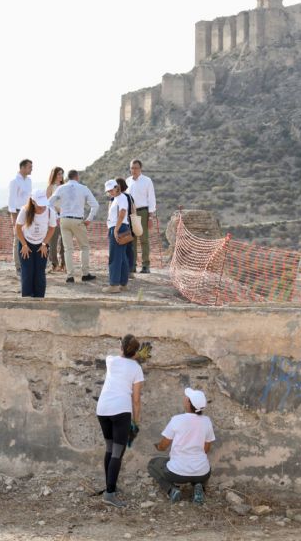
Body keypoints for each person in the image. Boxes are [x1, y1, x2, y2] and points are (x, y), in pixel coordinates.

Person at [96, 334, 144, 508]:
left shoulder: (111, 361)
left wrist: (133, 354)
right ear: (136, 352)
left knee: (109, 448)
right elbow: (136, 400)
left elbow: (123, 356)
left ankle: (111, 486)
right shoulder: (137, 369)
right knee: (117, 453)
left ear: (121, 348)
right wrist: (136, 422)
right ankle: (109, 494)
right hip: (121, 411)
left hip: (102, 409)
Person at [148, 388, 215, 505]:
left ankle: (172, 490)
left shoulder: (177, 420)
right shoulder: (207, 421)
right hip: (203, 473)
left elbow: (163, 446)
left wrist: (157, 446)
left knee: (153, 464)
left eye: (187, 398)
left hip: (177, 473)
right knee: (202, 467)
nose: (185, 399)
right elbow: (206, 449)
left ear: (189, 403)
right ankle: (198, 486)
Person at [48, 169, 99, 284]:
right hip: (77, 220)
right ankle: (85, 274)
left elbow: (48, 203)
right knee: (84, 247)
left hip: (64, 220)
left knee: (68, 249)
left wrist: (56, 215)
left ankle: (70, 276)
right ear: (77, 177)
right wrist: (89, 219)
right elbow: (95, 205)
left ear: (68, 177)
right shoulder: (83, 188)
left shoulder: (61, 188)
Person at [15, 189, 56, 298]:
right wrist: (24, 245)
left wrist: (44, 244)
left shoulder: (50, 212)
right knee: (27, 272)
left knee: (39, 272)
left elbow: (52, 228)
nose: (42, 207)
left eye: (43, 204)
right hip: (26, 243)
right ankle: (27, 298)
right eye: (39, 204)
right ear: (33, 201)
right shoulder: (25, 210)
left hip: (42, 244)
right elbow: (18, 228)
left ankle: (39, 298)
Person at [126, 159, 156, 274]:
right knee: (132, 240)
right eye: (132, 168)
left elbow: (151, 199)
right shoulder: (127, 181)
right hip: (130, 213)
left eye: (136, 168)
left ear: (140, 169)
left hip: (143, 212)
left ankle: (145, 266)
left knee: (144, 239)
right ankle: (132, 265)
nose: (134, 170)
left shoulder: (147, 181)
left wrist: (150, 217)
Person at [105, 179, 130, 293]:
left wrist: (115, 230)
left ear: (117, 187)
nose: (110, 192)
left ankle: (114, 285)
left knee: (115, 257)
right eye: (109, 191)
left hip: (118, 228)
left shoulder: (121, 198)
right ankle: (123, 284)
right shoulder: (116, 199)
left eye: (111, 189)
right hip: (119, 228)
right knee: (122, 257)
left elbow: (122, 213)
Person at [8, 159, 33, 273]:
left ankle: (26, 263)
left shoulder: (29, 181)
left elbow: (30, 198)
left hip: (28, 212)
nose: (31, 169)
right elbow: (11, 202)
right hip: (18, 212)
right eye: (29, 167)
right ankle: (18, 266)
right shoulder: (14, 181)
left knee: (28, 238)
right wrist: (14, 219)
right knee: (18, 239)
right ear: (22, 168)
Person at [46, 167, 65, 272]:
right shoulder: (50, 187)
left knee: (64, 242)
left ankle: (64, 264)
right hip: (54, 216)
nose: (60, 176)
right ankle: (54, 264)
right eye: (58, 174)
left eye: (62, 174)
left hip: (65, 217)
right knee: (53, 242)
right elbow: (48, 203)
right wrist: (57, 211)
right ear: (54, 175)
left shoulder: (64, 187)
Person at [116, 177, 135, 278]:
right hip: (128, 225)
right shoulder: (129, 197)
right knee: (128, 249)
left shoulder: (116, 198)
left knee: (120, 249)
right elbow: (133, 211)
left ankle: (121, 271)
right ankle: (129, 271)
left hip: (119, 226)